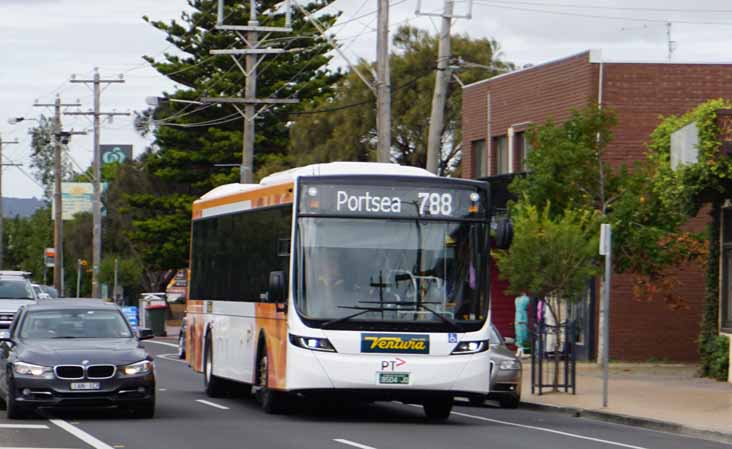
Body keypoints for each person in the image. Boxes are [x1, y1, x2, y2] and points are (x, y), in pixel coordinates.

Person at [514, 293, 530, 357]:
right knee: (524, 336)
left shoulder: (517, 300)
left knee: (520, 336)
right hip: (523, 320)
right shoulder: (525, 299)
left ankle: (522, 351)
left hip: (519, 320)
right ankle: (525, 352)